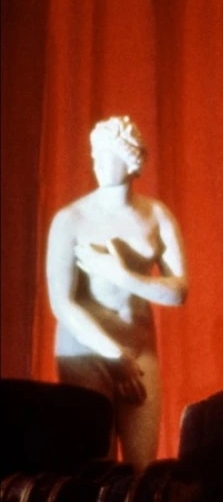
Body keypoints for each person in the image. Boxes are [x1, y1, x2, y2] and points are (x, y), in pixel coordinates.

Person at [45, 115, 188, 471]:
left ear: (131, 160)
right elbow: (62, 303)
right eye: (94, 154)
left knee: (142, 470)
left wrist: (122, 276)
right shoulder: (71, 219)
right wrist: (112, 354)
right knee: (93, 468)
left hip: (139, 349)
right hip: (87, 350)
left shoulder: (156, 215)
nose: (98, 163)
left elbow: (178, 292)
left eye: (107, 155)